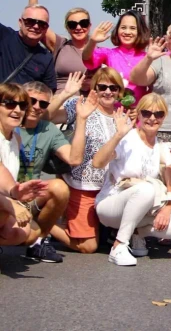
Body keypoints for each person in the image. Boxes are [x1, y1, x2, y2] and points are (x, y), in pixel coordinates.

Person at [94, 95, 171, 266]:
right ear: (139, 114)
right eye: (146, 113)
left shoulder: (161, 147)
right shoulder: (127, 138)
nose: (152, 118)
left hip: (140, 206)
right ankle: (119, 246)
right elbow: (97, 163)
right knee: (146, 189)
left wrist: (168, 207)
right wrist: (118, 135)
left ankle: (137, 234)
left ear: (164, 117)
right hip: (111, 203)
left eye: (158, 114)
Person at [48, 68, 125, 254]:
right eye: (103, 87)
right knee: (88, 246)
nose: (108, 91)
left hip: (109, 187)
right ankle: (44, 222)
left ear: (119, 91)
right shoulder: (79, 104)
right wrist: (65, 94)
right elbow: (46, 117)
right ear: (95, 88)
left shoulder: (121, 115)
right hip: (82, 185)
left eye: (113, 87)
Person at [17, 80, 78, 263]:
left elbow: (73, 159)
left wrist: (81, 120)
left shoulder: (47, 129)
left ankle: (37, 242)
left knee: (59, 188)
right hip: (4, 194)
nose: (36, 107)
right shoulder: (7, 124)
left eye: (43, 104)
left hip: (29, 195)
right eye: (31, 101)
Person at [18, 0, 90, 92]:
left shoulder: (99, 52)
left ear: (89, 25)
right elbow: (35, 19)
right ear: (67, 28)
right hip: (59, 104)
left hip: (88, 105)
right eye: (73, 24)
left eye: (83, 23)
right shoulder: (60, 45)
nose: (78, 27)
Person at [0, 83, 49, 247]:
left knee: (28, 231)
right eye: (9, 104)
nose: (17, 110)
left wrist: (20, 192)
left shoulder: (15, 138)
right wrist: (12, 199)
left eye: (22, 105)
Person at [82, 10, 152, 103]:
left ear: (140, 31)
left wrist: (140, 109)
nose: (127, 32)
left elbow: (153, 89)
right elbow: (87, 61)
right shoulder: (109, 54)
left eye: (132, 28)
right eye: (123, 27)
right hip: (112, 111)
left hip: (140, 113)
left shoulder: (148, 58)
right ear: (117, 30)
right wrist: (92, 41)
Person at [0, 0, 56, 90]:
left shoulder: (46, 57)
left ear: (46, 28)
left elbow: (48, 92)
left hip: (23, 106)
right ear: (20, 22)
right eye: (30, 21)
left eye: (42, 24)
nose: (36, 26)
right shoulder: (4, 36)